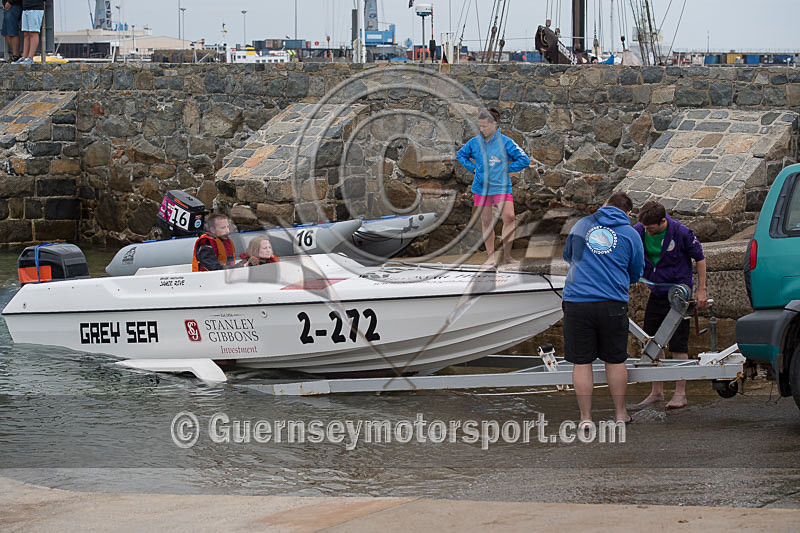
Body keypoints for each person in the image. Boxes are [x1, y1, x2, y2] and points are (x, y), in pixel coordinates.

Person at [562, 192, 644, 426]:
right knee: (615, 361)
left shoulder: (581, 225)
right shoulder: (630, 233)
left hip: (578, 301)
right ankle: (620, 414)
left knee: (582, 362)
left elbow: (568, 256)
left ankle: (586, 418)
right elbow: (637, 271)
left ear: (604, 205)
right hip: (612, 303)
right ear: (628, 214)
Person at [634, 201, 707, 409]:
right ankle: (656, 392)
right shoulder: (640, 230)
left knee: (678, 344)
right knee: (651, 342)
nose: (646, 231)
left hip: (679, 296)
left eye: (650, 228)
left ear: (663, 221)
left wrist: (701, 290)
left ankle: (680, 393)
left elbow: (700, 258)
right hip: (656, 292)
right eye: (644, 228)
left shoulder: (681, 232)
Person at [456, 107, 530, 266]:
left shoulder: (506, 142)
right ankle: (491, 257)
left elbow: (524, 160)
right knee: (486, 222)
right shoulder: (474, 143)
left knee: (509, 217)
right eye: (480, 126)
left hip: (501, 186)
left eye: (484, 126)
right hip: (481, 187)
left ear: (494, 124)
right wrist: (473, 168)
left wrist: (506, 168)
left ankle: (507, 256)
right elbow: (460, 155)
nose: (481, 129)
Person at [16, 0, 43, 64]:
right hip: (25, 8)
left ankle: (30, 57)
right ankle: (24, 57)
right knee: (26, 34)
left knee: (33, 32)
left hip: (36, 9)